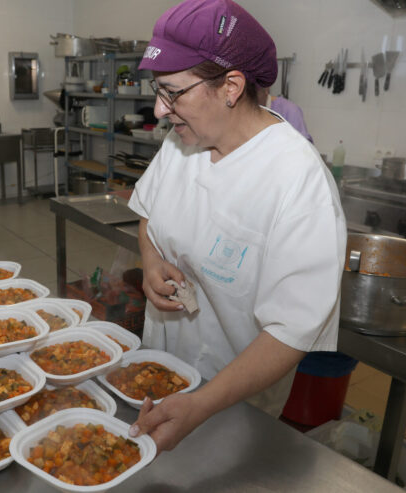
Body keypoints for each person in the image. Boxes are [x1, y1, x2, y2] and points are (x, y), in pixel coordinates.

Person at [126, 0, 347, 454]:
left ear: (230, 86)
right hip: (161, 368)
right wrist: (151, 262)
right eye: (157, 90)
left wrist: (202, 404)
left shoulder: (297, 181)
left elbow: (291, 331)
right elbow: (149, 211)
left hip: (234, 401)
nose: (159, 110)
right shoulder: (180, 143)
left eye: (172, 92)